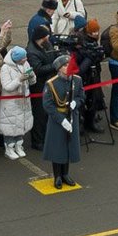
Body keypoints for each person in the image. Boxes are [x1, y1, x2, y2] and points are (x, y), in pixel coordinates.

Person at [42, 56, 83, 189]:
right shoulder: (51, 83)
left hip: (72, 117)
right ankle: (57, 176)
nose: (69, 67)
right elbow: (48, 105)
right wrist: (61, 120)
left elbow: (81, 96)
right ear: (59, 69)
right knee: (57, 147)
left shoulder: (77, 80)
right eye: (65, 65)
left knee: (68, 145)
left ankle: (65, 173)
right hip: (57, 119)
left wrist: (75, 103)